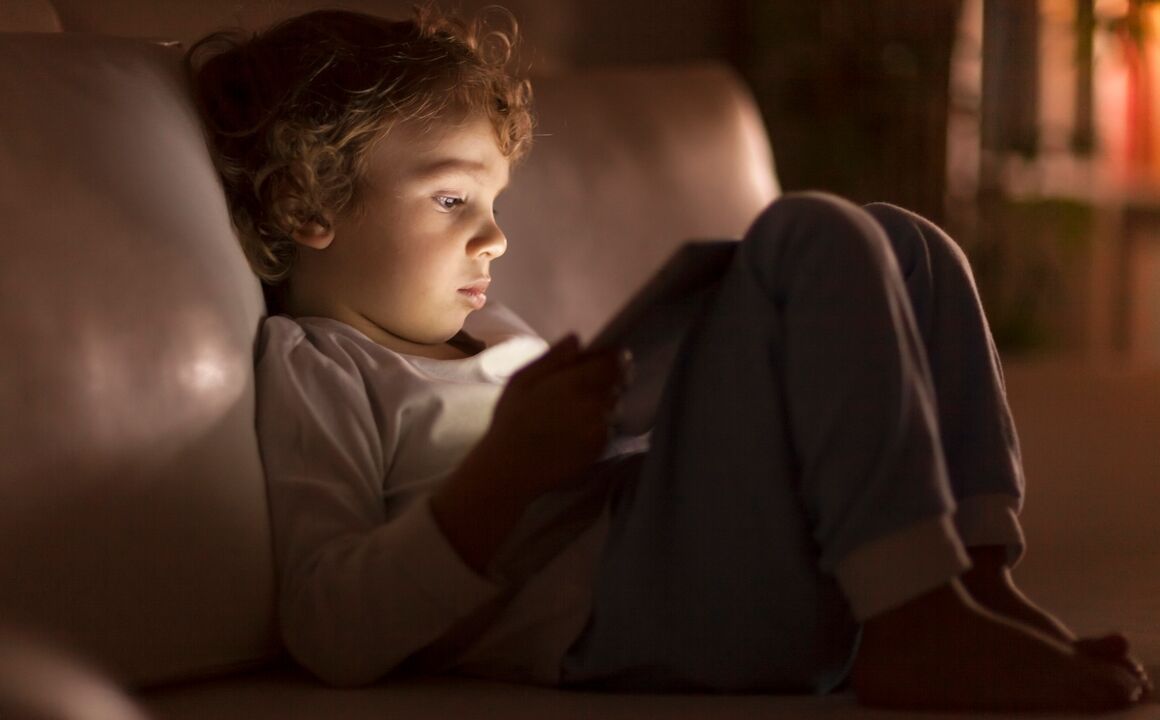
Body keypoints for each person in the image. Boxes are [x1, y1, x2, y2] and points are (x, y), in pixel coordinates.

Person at [187, 6, 1151, 712]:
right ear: (310, 206)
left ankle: (969, 581)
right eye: (451, 200)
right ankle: (912, 623)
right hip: (633, 612)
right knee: (809, 235)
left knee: (907, 241)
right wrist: (504, 471)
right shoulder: (318, 364)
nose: (493, 239)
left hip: (696, 552)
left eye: (494, 204)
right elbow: (328, 626)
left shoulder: (493, 328)